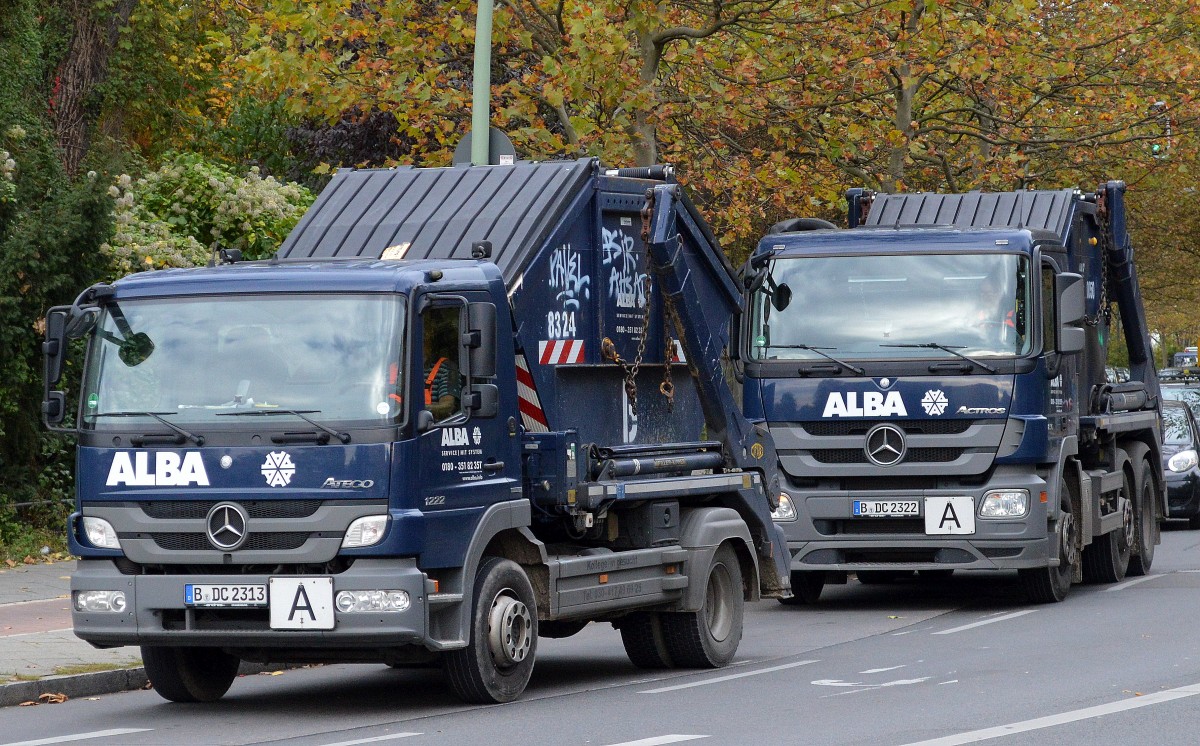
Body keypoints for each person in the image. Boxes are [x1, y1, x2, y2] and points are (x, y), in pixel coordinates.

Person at [422, 310, 462, 420]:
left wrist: (418, 410)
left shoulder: (446, 368)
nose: (424, 340)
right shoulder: (394, 370)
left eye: (426, 336)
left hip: (431, 429)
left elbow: (448, 406)